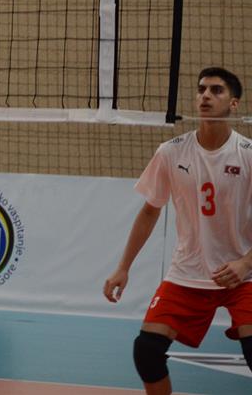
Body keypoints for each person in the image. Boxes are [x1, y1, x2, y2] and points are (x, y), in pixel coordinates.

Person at [103, 67, 252, 393]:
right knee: (146, 352)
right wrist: (123, 268)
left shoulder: (248, 154)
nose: (206, 96)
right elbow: (149, 211)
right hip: (189, 272)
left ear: (234, 103)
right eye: (201, 89)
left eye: (216, 90)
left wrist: (245, 263)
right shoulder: (171, 151)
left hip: (243, 275)